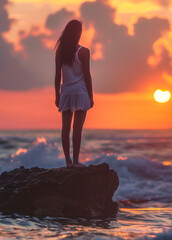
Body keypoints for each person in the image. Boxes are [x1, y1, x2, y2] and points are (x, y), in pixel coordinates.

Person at [54, 20, 94, 168]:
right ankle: (76, 161)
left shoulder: (60, 52)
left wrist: (57, 95)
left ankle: (68, 162)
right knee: (77, 129)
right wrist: (91, 96)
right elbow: (87, 75)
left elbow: (57, 75)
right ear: (78, 33)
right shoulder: (84, 51)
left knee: (65, 128)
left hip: (66, 92)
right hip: (81, 92)